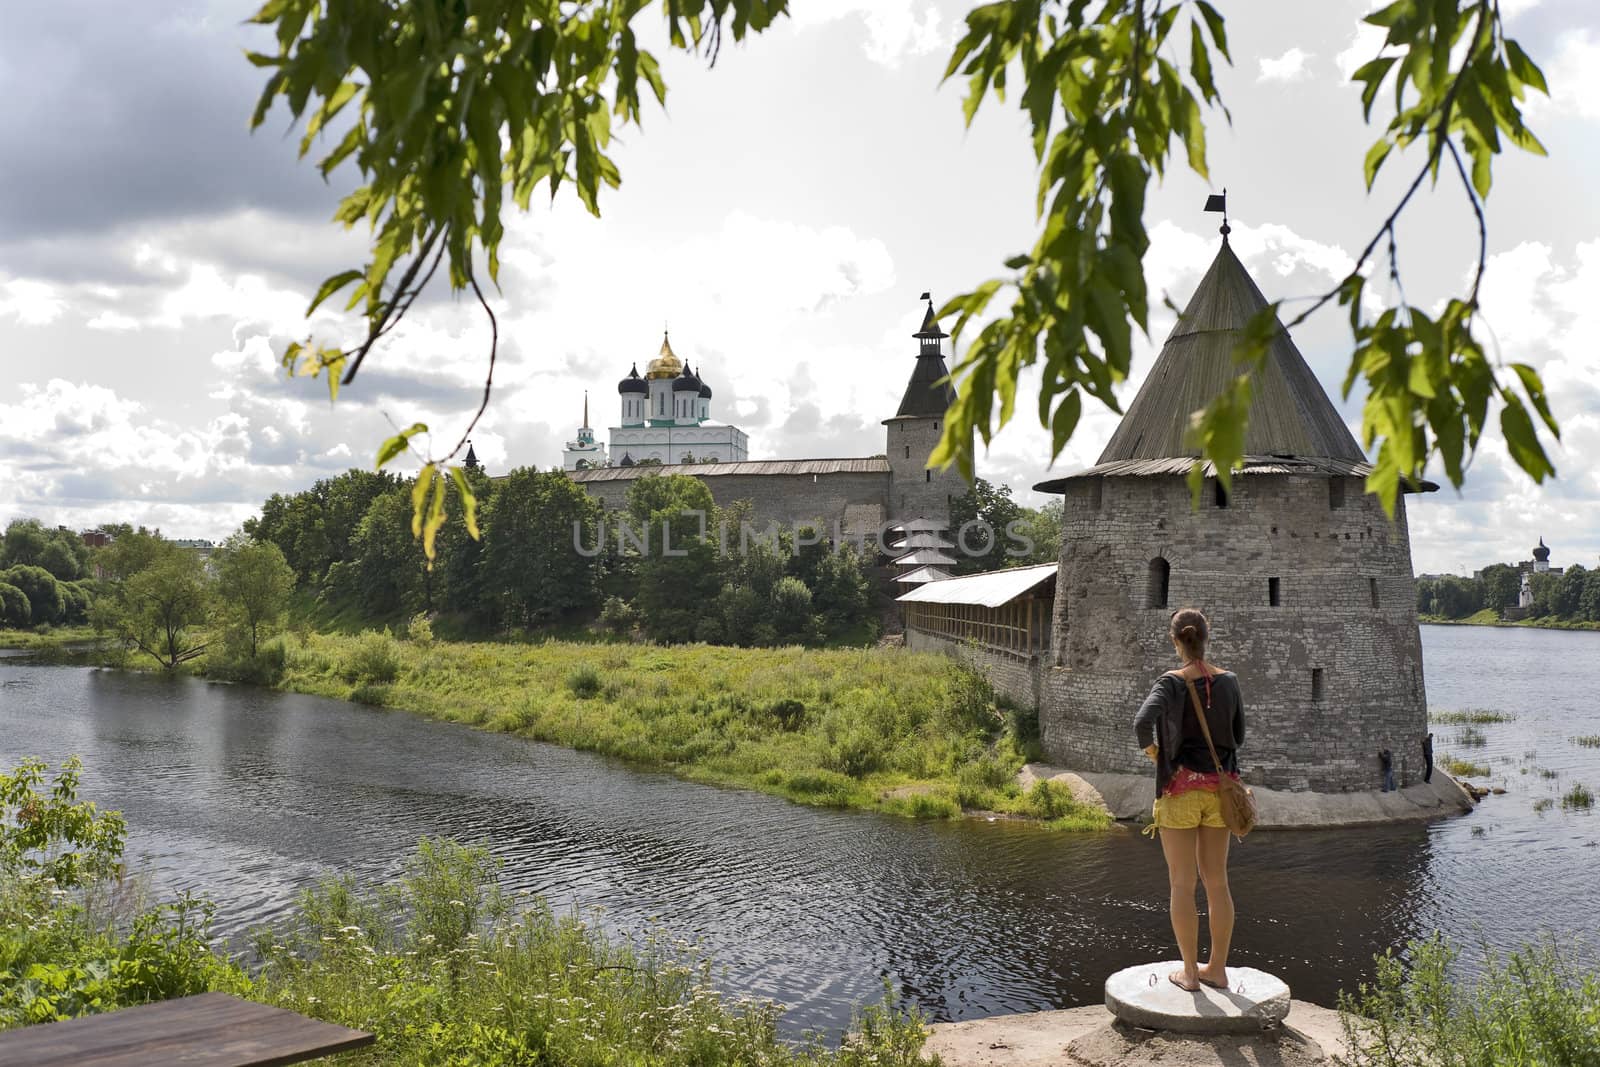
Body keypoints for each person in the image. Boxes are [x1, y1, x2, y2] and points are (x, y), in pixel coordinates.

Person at [1134, 608, 1245, 994]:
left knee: (1182, 884)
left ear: (1175, 640)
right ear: (1206, 637)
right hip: (1221, 792)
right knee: (1217, 882)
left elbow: (1140, 724)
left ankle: (1190, 974)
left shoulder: (1171, 683)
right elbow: (1238, 735)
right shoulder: (1229, 681)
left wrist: (1157, 755)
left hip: (1180, 791)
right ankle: (1217, 968)